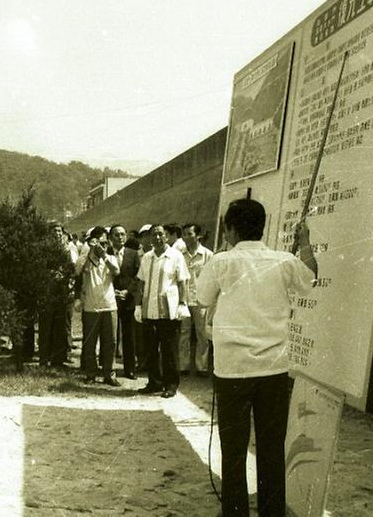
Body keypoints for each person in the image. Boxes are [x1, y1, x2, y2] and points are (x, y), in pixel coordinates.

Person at [196, 198, 318, 517]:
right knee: (271, 449)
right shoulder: (284, 261)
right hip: (273, 371)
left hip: (232, 371)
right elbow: (311, 277)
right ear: (262, 227)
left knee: (234, 451)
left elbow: (202, 297)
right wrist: (304, 243)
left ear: (231, 228)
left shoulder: (221, 262)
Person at [134, 224, 190, 398]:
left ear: (166, 236)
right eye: (154, 235)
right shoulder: (147, 258)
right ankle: (154, 383)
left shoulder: (175, 256)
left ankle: (171, 385)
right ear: (150, 238)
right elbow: (141, 283)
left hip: (169, 311)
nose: (157, 238)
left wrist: (182, 303)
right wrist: (138, 306)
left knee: (169, 350)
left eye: (160, 234)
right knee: (150, 348)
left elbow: (183, 282)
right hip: (149, 310)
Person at [75, 226, 120, 386]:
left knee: (110, 342)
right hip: (91, 305)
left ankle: (109, 374)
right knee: (90, 342)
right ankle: (91, 374)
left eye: (104, 241)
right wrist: (89, 251)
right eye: (99, 241)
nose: (102, 245)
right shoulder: (85, 258)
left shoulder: (111, 257)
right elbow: (78, 271)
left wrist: (104, 256)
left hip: (109, 305)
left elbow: (116, 271)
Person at [38, 221, 75, 368]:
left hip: (61, 292)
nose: (57, 234)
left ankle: (57, 360)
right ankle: (43, 359)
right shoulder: (43, 249)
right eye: (54, 231)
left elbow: (71, 269)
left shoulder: (66, 250)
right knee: (45, 326)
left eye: (60, 231)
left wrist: (66, 276)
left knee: (60, 326)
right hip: (47, 291)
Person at [180, 222, 215, 375]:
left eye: (190, 234)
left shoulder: (208, 255)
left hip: (201, 300)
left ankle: (202, 366)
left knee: (202, 334)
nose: (186, 237)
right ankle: (183, 365)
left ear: (198, 235)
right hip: (184, 299)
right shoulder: (180, 255)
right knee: (183, 333)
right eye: (184, 234)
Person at [109, 224, 140, 379]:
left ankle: (130, 369)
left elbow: (138, 276)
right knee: (110, 336)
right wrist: (113, 292)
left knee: (129, 336)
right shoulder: (106, 253)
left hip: (128, 300)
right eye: (116, 235)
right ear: (110, 238)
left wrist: (127, 291)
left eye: (122, 234)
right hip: (110, 299)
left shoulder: (133, 254)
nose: (120, 237)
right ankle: (108, 367)